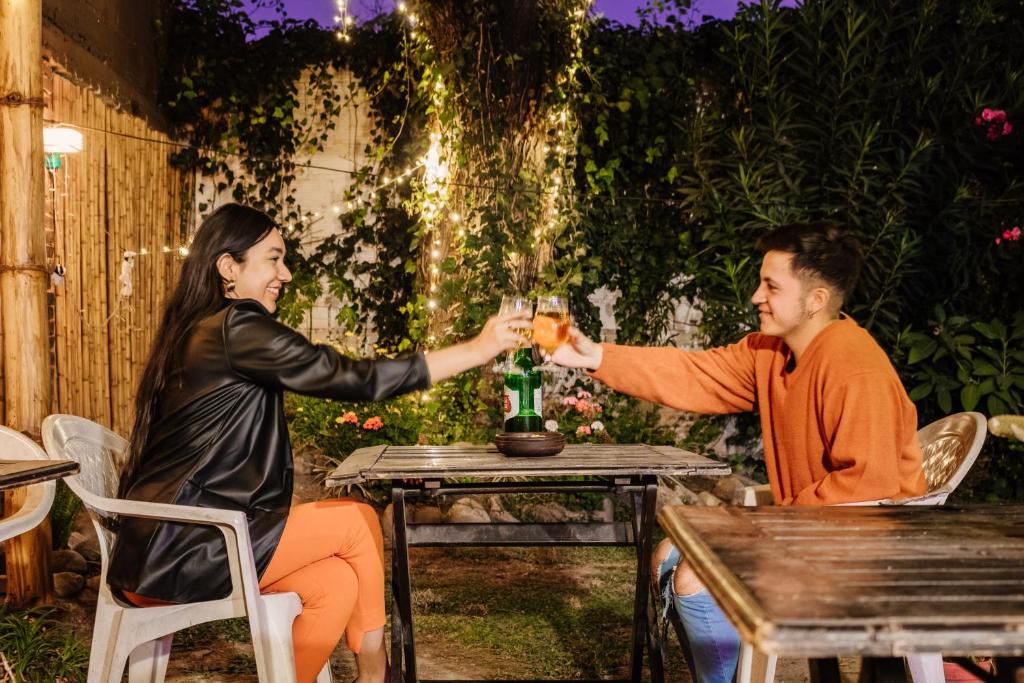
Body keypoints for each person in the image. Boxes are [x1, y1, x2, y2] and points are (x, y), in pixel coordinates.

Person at [107, 203, 529, 683]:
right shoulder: (236, 326)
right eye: (273, 258)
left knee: (334, 582)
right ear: (229, 267)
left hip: (166, 552)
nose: (284, 274)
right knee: (356, 519)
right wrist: (477, 349)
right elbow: (349, 377)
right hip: (185, 548)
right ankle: (378, 676)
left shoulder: (204, 330)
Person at [550, 222, 927, 683]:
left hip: (861, 550)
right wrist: (597, 358)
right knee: (669, 556)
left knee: (694, 579)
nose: (755, 296)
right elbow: (697, 373)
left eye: (771, 286)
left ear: (815, 301)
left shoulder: (854, 367)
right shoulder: (772, 354)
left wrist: (765, 531)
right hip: (812, 533)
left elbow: (870, 487)